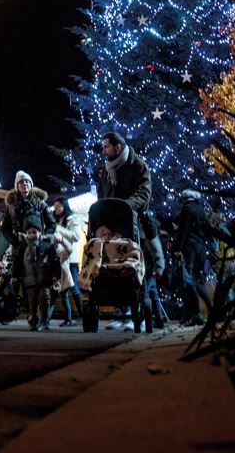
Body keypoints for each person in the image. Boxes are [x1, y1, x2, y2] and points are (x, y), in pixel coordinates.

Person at [94, 132, 152, 331]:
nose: (103, 150)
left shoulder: (137, 166)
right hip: (111, 227)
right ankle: (120, 313)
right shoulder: (106, 171)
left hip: (132, 224)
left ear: (117, 147)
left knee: (133, 267)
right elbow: (101, 195)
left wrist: (125, 207)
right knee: (112, 267)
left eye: (106, 147)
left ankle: (139, 315)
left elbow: (144, 192)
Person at [0, 171, 53, 287]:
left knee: (41, 276)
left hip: (39, 246)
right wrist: (15, 241)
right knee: (21, 278)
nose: (25, 184)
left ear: (31, 184)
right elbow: (5, 228)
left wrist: (43, 238)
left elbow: (52, 224)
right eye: (21, 182)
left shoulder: (40, 203)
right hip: (20, 247)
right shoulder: (11, 206)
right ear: (17, 185)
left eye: (27, 181)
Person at [174, 188, 216, 326]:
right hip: (201, 249)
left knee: (188, 280)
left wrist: (177, 248)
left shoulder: (187, 209)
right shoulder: (201, 210)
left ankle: (195, 314)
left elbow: (183, 230)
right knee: (195, 279)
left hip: (190, 248)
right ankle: (210, 308)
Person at [49, 195, 85, 327]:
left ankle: (82, 315)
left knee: (74, 288)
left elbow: (76, 236)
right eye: (55, 206)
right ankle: (67, 318)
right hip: (57, 259)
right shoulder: (55, 220)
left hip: (71, 259)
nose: (57, 209)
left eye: (59, 206)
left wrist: (60, 230)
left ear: (65, 206)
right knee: (59, 289)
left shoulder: (73, 219)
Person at [21, 223, 58, 331]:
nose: (32, 235)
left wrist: (56, 274)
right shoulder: (23, 246)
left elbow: (54, 260)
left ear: (39, 232)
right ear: (26, 234)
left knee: (45, 298)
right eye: (29, 233)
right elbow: (18, 260)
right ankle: (34, 321)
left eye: (34, 232)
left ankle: (45, 321)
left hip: (44, 277)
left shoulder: (47, 245)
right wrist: (16, 275)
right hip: (30, 278)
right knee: (33, 300)